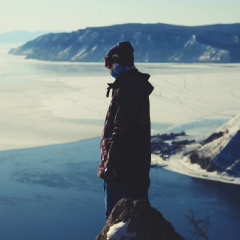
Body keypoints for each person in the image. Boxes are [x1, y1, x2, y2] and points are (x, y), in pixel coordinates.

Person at [97, 41, 154, 218]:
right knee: (138, 221)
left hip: (122, 172)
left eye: (109, 64)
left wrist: (111, 167)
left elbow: (122, 131)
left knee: (118, 223)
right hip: (137, 169)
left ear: (119, 61)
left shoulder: (127, 90)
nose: (108, 69)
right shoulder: (135, 87)